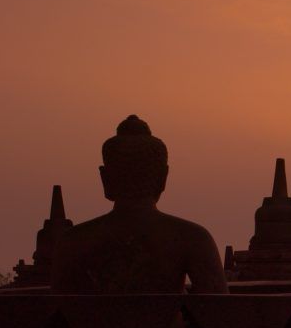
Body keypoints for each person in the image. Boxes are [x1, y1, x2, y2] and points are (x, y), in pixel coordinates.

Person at [51, 116, 229, 294]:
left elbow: (57, 313)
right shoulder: (193, 238)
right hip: (166, 323)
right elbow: (220, 314)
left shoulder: (74, 242)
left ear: (105, 178)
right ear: (163, 178)